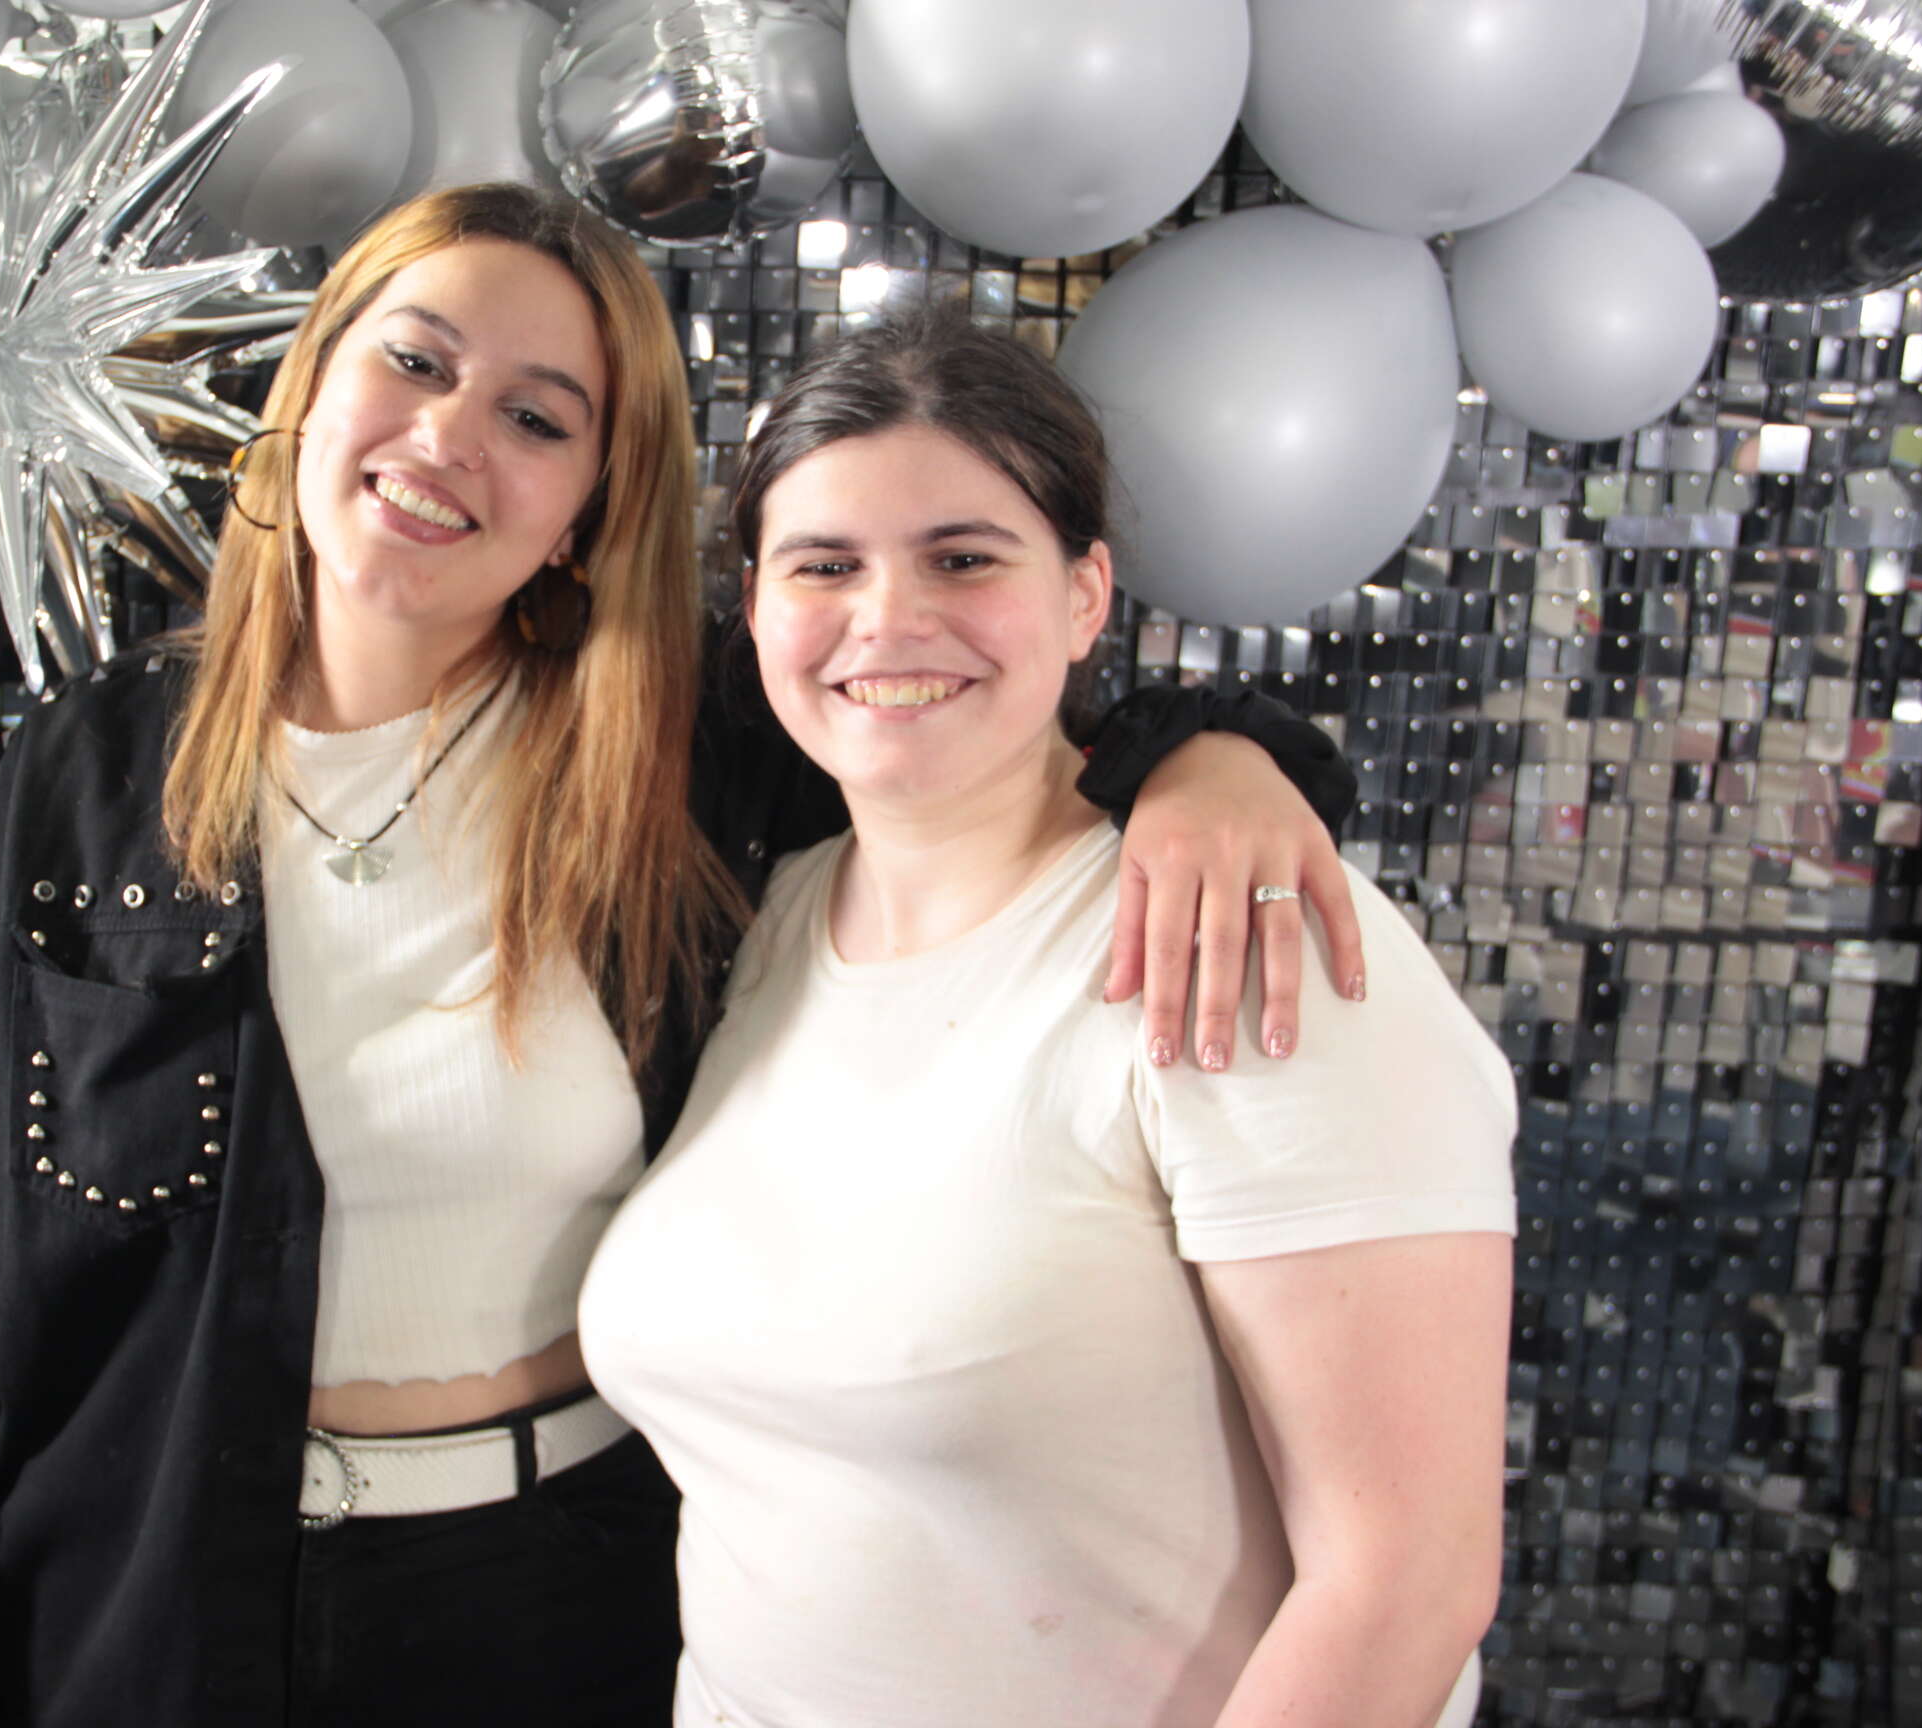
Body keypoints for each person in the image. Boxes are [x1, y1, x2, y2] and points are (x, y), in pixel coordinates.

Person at [0, 184, 1361, 1728]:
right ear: (314, 380)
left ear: (589, 510)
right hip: (142, 1599)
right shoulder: (92, 767)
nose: (449, 436)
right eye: (414, 359)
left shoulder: (685, 750)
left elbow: (994, 728)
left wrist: (1218, 759)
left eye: (538, 419)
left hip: (562, 1605)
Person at [580, 306, 1519, 1728]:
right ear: (756, 610)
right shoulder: (773, 918)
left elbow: (1407, 1586)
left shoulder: (1240, 936)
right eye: (825, 565)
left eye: (963, 558)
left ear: (1085, 596)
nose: (889, 618)